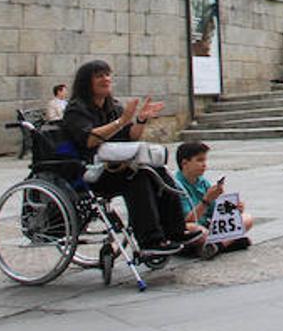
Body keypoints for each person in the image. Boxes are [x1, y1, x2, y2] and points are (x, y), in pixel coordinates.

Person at [60, 60, 199, 256]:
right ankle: (150, 240)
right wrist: (121, 121)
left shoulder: (113, 106)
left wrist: (141, 120)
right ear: (86, 82)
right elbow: (89, 140)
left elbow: (129, 136)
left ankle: (176, 230)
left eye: (108, 75)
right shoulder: (76, 109)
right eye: (99, 75)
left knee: (157, 171)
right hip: (88, 172)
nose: (106, 79)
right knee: (138, 178)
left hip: (113, 167)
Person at [174, 141, 252, 258]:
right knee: (194, 229)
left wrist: (234, 209)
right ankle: (225, 243)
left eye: (205, 160)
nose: (204, 164)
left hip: (207, 227)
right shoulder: (176, 185)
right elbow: (187, 220)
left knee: (247, 218)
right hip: (190, 229)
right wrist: (206, 201)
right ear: (185, 163)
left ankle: (215, 246)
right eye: (199, 160)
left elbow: (216, 213)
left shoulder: (202, 181)